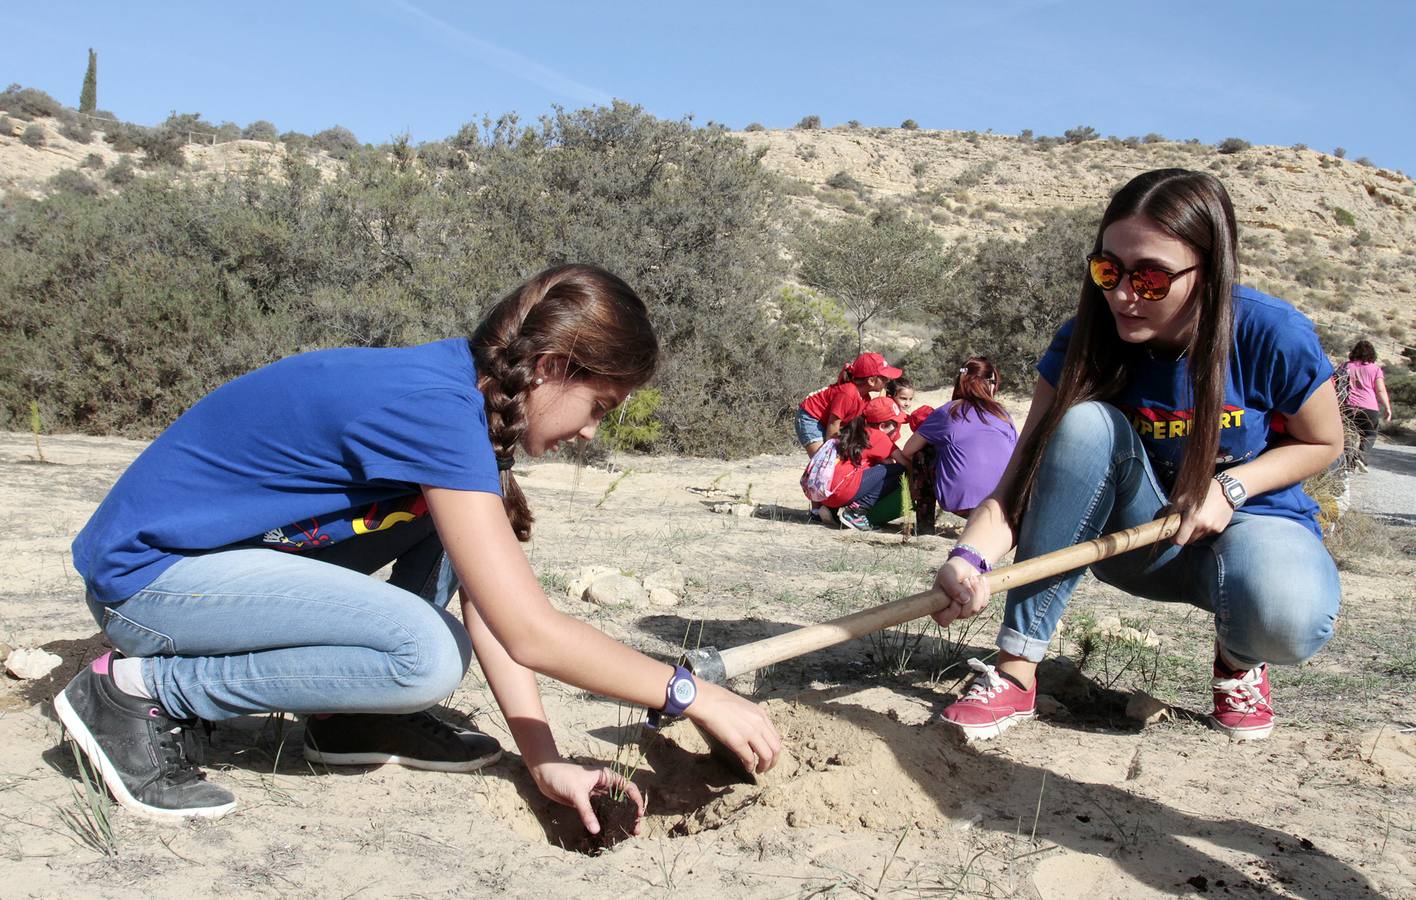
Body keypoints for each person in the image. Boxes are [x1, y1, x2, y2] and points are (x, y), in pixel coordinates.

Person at [55, 264, 781, 826]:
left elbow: (492, 610)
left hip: (211, 580)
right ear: (557, 367)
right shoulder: (432, 410)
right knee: (424, 654)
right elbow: (534, 633)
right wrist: (691, 694)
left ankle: (350, 720)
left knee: (435, 606)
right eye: (602, 405)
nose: (591, 431)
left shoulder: (461, 412)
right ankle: (137, 695)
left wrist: (544, 761)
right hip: (148, 583)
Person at [930, 169, 1343, 743]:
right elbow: (1018, 481)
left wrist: (1231, 487)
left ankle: (1238, 656)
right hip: (1138, 542)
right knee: (1083, 423)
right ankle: (1017, 667)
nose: (1123, 295)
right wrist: (969, 561)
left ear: (1209, 269)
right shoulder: (1085, 339)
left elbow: (1325, 441)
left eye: (1151, 278)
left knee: (1288, 617)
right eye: (1108, 270)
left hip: (1254, 524)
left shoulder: (1272, 333)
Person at [901, 358, 1017, 518]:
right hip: (1004, 502)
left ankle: (925, 522)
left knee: (923, 453)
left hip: (962, 504)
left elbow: (908, 451)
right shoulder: (1003, 415)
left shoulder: (948, 412)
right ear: (990, 383)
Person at [811, 397, 911, 531]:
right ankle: (857, 512)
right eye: (895, 424)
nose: (897, 429)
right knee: (899, 470)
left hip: (825, 493)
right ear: (882, 426)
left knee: (860, 469)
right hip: (843, 491)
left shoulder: (853, 430)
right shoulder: (878, 436)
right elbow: (905, 462)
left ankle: (830, 509)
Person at [795, 352, 903, 457]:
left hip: (826, 421)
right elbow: (833, 424)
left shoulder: (865, 397)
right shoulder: (848, 393)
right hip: (810, 418)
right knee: (823, 460)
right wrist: (834, 452)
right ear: (871, 380)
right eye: (884, 378)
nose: (888, 380)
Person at [1338, 340, 1393, 472]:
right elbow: (1380, 390)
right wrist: (1387, 408)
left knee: (1347, 434)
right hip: (1369, 407)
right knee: (1370, 434)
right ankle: (1360, 457)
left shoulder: (1345, 366)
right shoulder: (1375, 369)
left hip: (1347, 407)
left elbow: (1335, 383)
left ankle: (1347, 463)